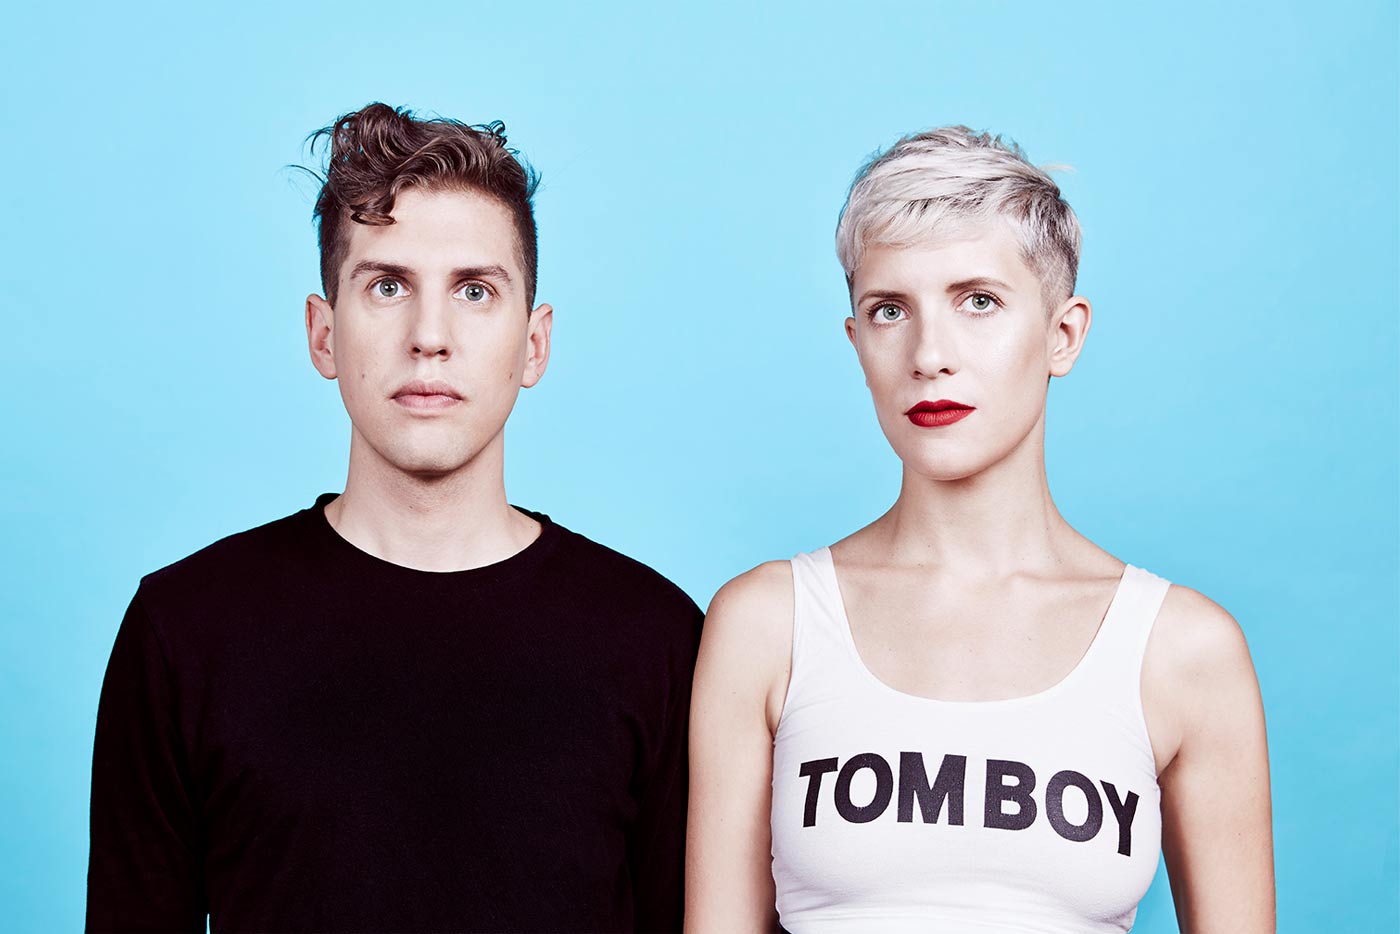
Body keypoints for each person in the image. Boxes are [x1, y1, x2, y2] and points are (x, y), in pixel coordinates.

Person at [87, 103, 702, 933]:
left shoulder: (655, 638)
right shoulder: (183, 632)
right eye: (387, 286)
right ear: (323, 334)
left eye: (475, 291)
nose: (429, 337)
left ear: (534, 344)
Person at [686, 127, 1274, 932]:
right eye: (890, 310)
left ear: (1063, 335)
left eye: (979, 301)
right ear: (857, 344)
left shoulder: (1183, 650)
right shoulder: (767, 624)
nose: (929, 354)